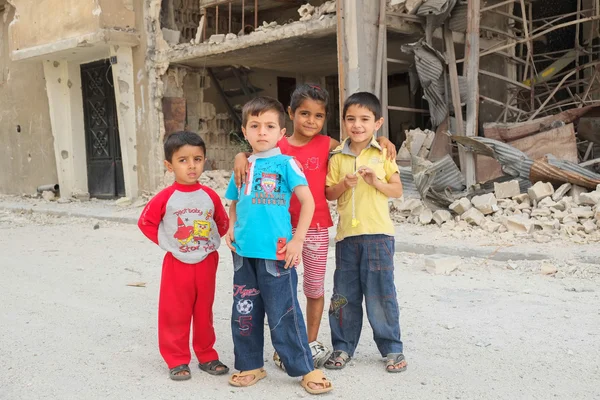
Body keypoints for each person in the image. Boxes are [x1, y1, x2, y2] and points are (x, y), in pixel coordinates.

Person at [232, 84, 397, 368]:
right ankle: (285, 342)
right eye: (304, 113)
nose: (311, 121)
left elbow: (357, 144)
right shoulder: (277, 144)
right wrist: (239, 157)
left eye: (318, 116)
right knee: (281, 287)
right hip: (282, 230)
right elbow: (252, 155)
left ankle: (307, 342)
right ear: (290, 114)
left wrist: (383, 142)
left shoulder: (328, 145)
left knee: (314, 288)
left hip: (317, 228)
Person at [224, 96, 333, 395]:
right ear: (244, 132)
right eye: (255, 126)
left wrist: (298, 240)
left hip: (277, 253)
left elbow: (308, 201)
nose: (262, 132)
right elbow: (233, 203)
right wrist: (231, 225)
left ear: (281, 133)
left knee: (284, 313)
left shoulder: (287, 163)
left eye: (270, 126)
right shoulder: (243, 165)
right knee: (244, 311)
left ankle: (304, 367)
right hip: (244, 253)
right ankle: (249, 365)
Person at [324, 92, 407, 373]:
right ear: (344, 122)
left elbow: (397, 190)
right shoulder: (337, 157)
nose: (357, 125)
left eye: (364, 119)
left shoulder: (383, 153)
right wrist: (343, 186)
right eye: (351, 119)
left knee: (381, 294)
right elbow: (328, 193)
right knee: (344, 294)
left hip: (379, 236)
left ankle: (392, 349)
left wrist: (375, 182)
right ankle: (342, 347)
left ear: (377, 123)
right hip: (347, 237)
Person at [138, 131, 230, 381]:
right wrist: (169, 243)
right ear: (169, 165)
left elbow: (222, 222)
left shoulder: (209, 196)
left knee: (204, 311)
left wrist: (208, 243)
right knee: (175, 312)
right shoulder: (166, 197)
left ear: (204, 161)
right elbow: (145, 222)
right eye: (183, 160)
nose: (191, 165)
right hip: (177, 263)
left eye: (197, 159)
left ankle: (206, 354)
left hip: (206, 262)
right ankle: (177, 359)